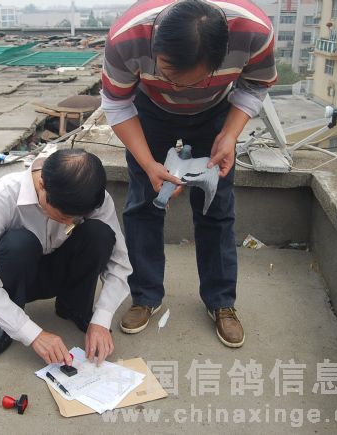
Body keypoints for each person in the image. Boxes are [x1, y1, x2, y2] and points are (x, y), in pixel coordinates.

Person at [101, 0, 276, 347]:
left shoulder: (254, 33)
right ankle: (144, 296)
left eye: (193, 80)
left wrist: (230, 135)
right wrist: (149, 164)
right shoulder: (126, 38)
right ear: (155, 48)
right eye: (169, 75)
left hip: (216, 110)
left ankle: (221, 302)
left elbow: (255, 85)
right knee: (144, 203)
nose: (179, 89)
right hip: (149, 109)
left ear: (221, 56)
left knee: (216, 206)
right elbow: (117, 102)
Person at [0, 149, 132, 365]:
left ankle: (72, 306)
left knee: (100, 233)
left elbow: (120, 262)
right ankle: (7, 321)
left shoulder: (94, 197)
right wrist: (33, 334)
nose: (69, 223)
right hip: (20, 275)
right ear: (42, 185)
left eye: (76, 218)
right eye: (64, 217)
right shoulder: (2, 197)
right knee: (18, 244)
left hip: (62, 269)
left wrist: (102, 318)